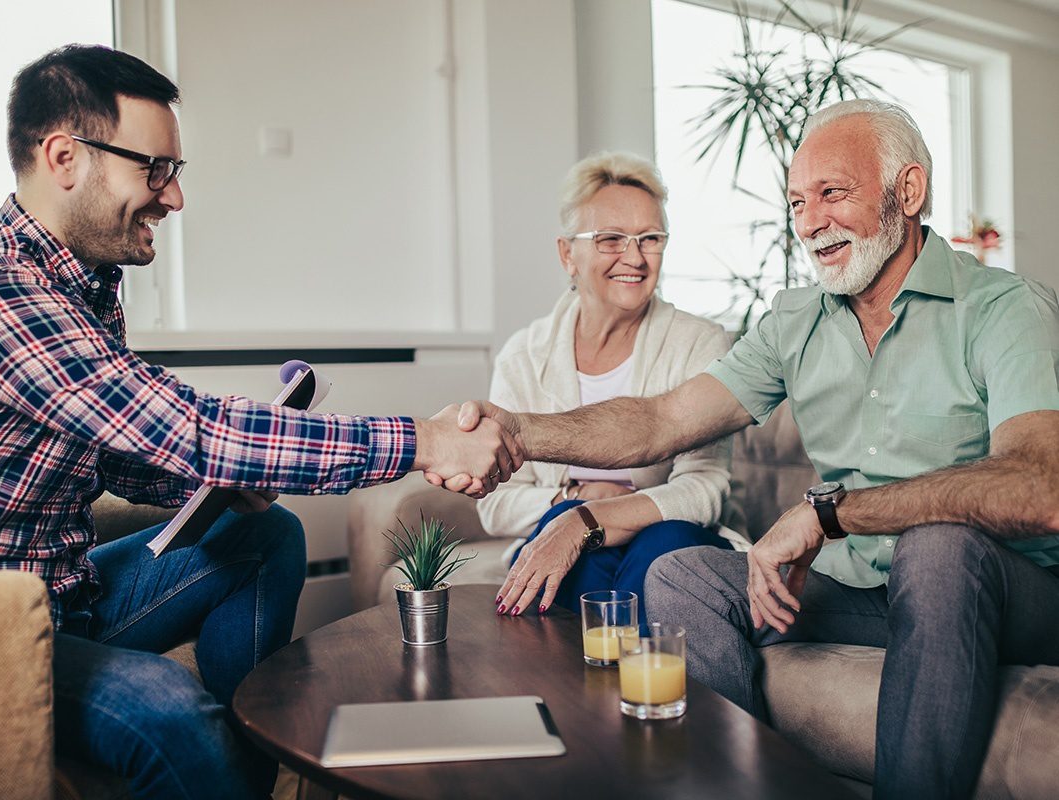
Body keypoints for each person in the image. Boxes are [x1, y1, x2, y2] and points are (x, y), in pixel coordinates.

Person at [436, 99, 1059, 799]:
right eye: (797, 201)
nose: (810, 220)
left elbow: (1040, 488)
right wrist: (518, 433)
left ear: (907, 192)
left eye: (832, 192)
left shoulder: (1005, 309)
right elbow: (660, 422)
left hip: (1005, 594)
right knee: (683, 577)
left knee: (939, 547)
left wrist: (831, 515)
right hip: (865, 591)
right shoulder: (795, 323)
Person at [0, 45, 519, 800]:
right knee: (168, 710)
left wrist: (224, 480)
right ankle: (214, 760)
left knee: (267, 534)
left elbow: (113, 452)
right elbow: (183, 426)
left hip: (70, 595)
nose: (175, 197)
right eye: (154, 169)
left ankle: (248, 770)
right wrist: (425, 440)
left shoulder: (82, 282)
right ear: (65, 156)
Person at [477, 152, 743, 623]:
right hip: (562, 526)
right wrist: (571, 502)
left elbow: (706, 486)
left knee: (666, 549)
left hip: (666, 533)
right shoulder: (523, 356)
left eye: (650, 239)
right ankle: (603, 692)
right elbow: (496, 501)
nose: (635, 257)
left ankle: (620, 692)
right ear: (567, 254)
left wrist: (605, 513)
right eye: (611, 239)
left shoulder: (699, 343)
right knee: (567, 543)